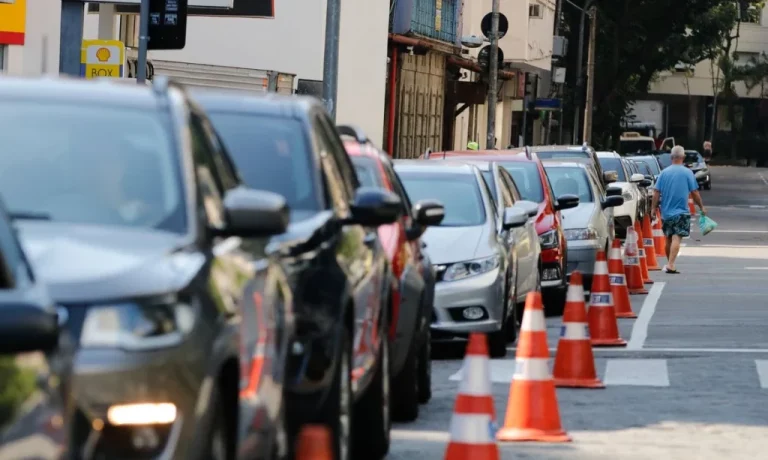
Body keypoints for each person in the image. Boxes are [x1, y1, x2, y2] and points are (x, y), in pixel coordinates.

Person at [651, 145, 707, 274]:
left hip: (666, 213)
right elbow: (694, 192)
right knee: (677, 237)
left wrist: (653, 208)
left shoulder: (664, 173)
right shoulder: (687, 173)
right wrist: (701, 207)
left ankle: (670, 263)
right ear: (683, 157)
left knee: (668, 238)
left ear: (671, 157)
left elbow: (656, 192)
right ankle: (671, 264)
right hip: (681, 212)